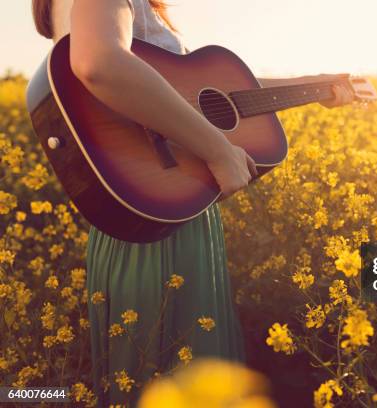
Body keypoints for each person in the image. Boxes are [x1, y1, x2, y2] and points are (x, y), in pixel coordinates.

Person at [31, 0, 354, 405]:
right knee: (181, 379)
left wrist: (313, 84)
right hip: (158, 212)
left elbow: (201, 95)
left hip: (152, 204)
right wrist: (218, 150)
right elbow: (100, 63)